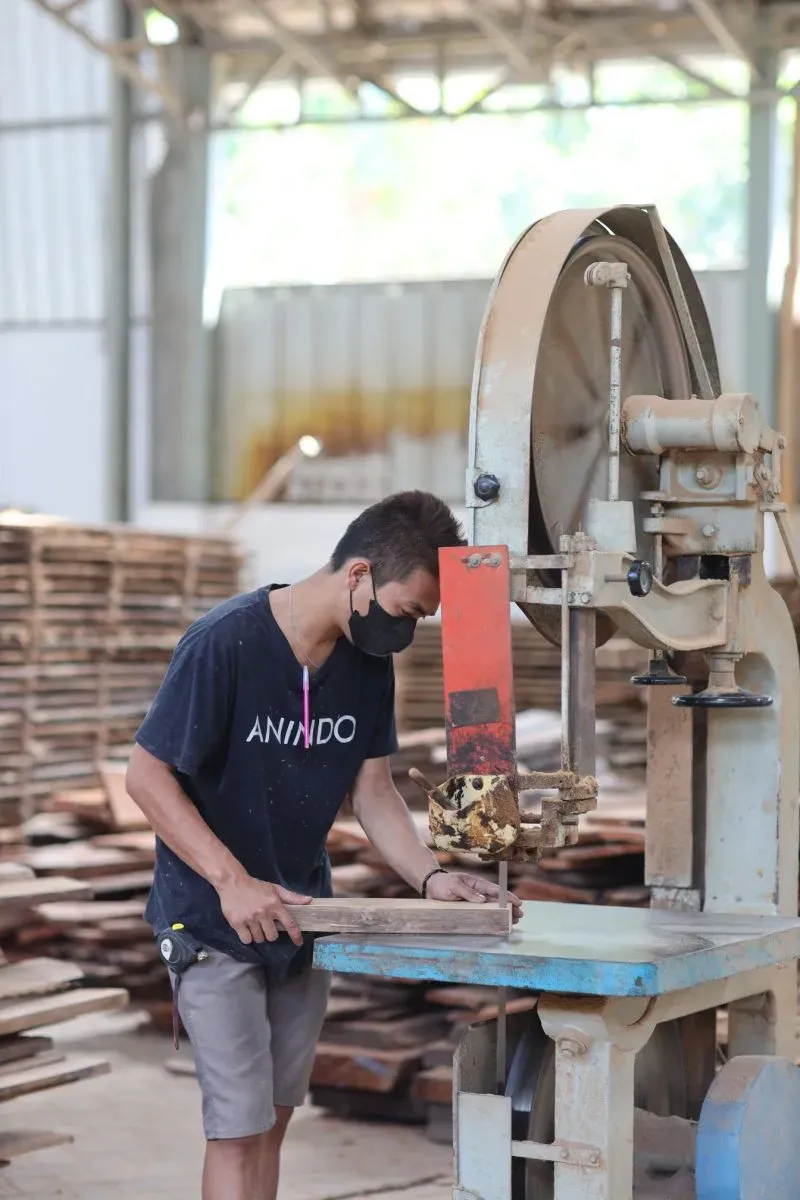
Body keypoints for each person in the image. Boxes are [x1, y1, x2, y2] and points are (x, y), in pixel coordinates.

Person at [126, 489, 521, 1200]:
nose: (406, 631)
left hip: (303, 913)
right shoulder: (227, 643)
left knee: (275, 1119)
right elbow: (146, 777)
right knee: (238, 1130)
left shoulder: (367, 665)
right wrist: (230, 880)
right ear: (359, 574)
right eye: (407, 612)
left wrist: (432, 878)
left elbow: (373, 793)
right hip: (212, 917)